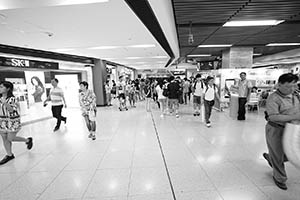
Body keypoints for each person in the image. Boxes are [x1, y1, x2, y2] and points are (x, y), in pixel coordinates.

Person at [263, 73, 300, 190]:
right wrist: (295, 117)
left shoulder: (296, 95)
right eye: (289, 86)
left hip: (293, 129)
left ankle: (271, 158)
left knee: (292, 154)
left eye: (295, 86)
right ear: (279, 85)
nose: (293, 89)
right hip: (276, 129)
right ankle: (280, 178)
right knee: (278, 156)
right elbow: (273, 117)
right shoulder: (273, 98)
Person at [0, 81, 33, 165]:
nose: (0, 88)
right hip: (2, 121)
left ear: (8, 89)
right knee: (4, 138)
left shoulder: (13, 99)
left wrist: (4, 102)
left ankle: (27, 140)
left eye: (2, 87)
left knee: (10, 138)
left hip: (13, 121)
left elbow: (11, 110)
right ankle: (9, 155)